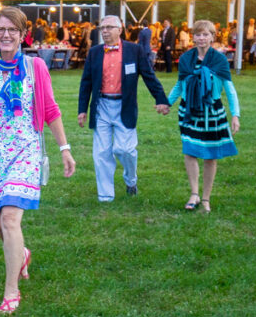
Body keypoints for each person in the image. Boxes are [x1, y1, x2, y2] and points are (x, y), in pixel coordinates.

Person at [0, 6, 76, 314]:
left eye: (13, 30)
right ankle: (21, 253)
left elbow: (50, 109)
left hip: (25, 152)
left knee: (10, 219)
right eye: (0, 29)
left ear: (23, 35)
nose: (6, 35)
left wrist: (65, 149)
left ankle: (12, 291)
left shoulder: (35, 67)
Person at [78, 15, 170, 202]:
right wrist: (82, 109)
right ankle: (105, 196)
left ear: (120, 30)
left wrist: (161, 99)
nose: (104, 31)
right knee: (101, 152)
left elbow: (148, 76)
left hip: (124, 106)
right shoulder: (95, 52)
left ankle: (131, 180)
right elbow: (86, 82)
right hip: (101, 106)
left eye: (109, 27)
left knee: (124, 150)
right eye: (102, 27)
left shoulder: (133, 50)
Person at [167, 20, 240, 213]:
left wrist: (235, 115)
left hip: (212, 112)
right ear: (193, 37)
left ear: (212, 37)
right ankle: (194, 193)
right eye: (198, 34)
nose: (201, 38)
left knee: (210, 156)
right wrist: (167, 103)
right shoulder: (186, 59)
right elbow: (180, 85)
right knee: (190, 152)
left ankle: (206, 198)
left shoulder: (219, 60)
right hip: (189, 111)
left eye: (205, 34)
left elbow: (229, 89)